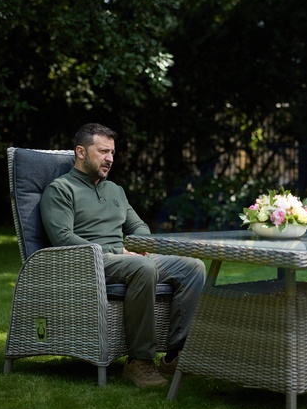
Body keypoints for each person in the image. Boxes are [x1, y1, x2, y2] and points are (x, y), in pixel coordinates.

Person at [40, 123, 206, 388]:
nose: (110, 159)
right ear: (81, 152)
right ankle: (139, 361)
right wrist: (117, 251)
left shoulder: (115, 190)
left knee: (193, 267)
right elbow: (62, 238)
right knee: (143, 267)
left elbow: (138, 226)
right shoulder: (60, 189)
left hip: (125, 258)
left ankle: (175, 355)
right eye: (103, 151)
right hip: (89, 261)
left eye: (112, 153)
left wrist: (140, 243)